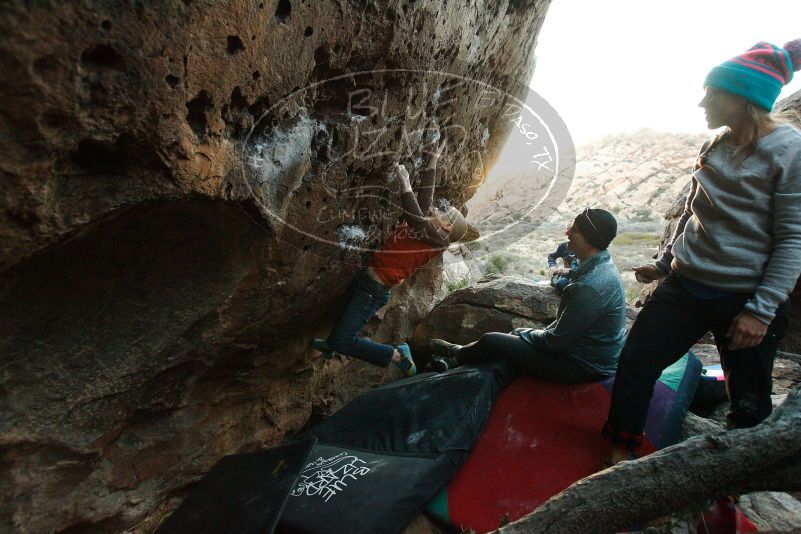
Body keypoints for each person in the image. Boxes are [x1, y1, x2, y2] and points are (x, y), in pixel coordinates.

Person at [603, 39, 801, 465]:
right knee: (636, 363)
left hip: (745, 297)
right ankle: (621, 454)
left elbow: (793, 238)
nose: (701, 103)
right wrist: (663, 264)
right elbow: (694, 215)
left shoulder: (789, 151)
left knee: (748, 400)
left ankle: (734, 478)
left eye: (712, 94)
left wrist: (761, 310)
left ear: (743, 98)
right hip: (689, 283)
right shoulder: (715, 145)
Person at [313, 137, 473, 377]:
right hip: (367, 282)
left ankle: (396, 355)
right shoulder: (430, 231)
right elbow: (425, 198)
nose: (437, 210)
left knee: (343, 340)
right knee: (342, 322)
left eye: (443, 213)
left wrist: (405, 183)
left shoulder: (436, 240)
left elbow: (414, 218)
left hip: (373, 290)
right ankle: (333, 343)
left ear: (447, 228)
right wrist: (433, 160)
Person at [429, 208, 627, 383]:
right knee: (511, 342)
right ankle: (454, 359)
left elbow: (554, 342)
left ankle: (455, 353)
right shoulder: (602, 266)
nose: (567, 233)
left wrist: (523, 333)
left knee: (493, 340)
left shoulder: (589, 288)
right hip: (592, 355)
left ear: (589, 239)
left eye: (574, 230)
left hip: (581, 365)